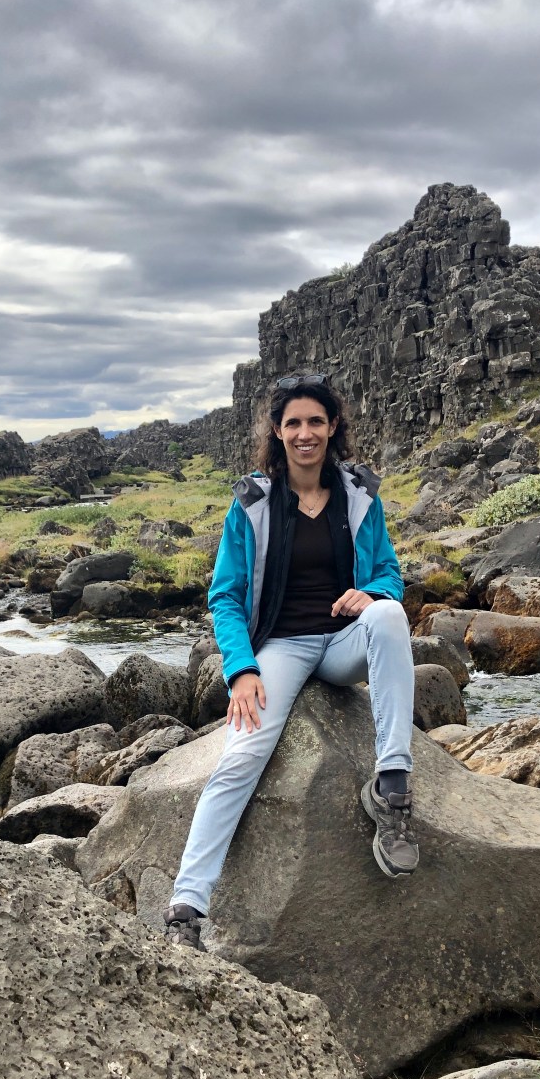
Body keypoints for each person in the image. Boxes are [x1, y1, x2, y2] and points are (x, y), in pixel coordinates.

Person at [164, 373, 418, 951]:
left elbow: (389, 574)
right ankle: (185, 909)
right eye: (294, 423)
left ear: (333, 427)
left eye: (316, 422)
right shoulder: (252, 505)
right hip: (282, 647)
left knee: (390, 617)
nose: (306, 434)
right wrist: (241, 668)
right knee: (241, 757)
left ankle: (392, 791)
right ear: (277, 432)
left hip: (345, 641)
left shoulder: (360, 496)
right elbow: (226, 596)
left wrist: (372, 594)